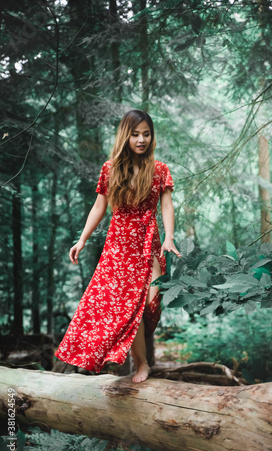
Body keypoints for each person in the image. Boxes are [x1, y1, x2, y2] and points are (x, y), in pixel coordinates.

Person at [55, 110, 180, 383]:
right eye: (135, 134)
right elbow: (99, 206)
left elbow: (167, 204)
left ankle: (141, 356)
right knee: (128, 307)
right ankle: (142, 364)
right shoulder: (109, 168)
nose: (141, 139)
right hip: (119, 247)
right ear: (126, 136)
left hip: (149, 243)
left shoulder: (159, 169)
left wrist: (169, 236)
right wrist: (82, 239)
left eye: (146, 134)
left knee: (151, 303)